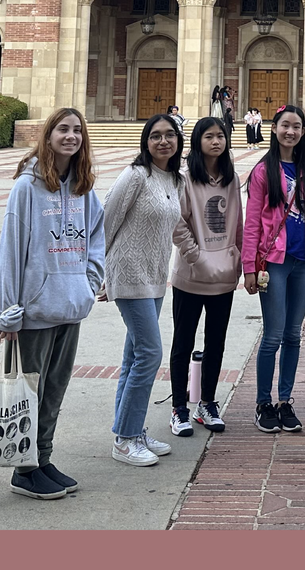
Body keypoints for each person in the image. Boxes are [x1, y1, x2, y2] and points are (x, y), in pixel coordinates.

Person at [0, 108, 105, 499]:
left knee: (54, 391)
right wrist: (8, 311)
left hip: (70, 306)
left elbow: (96, 238)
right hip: (34, 312)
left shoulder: (83, 187)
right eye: (63, 129)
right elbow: (10, 251)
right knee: (30, 392)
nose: (71, 136)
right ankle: (24, 470)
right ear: (49, 135)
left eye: (77, 130)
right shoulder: (27, 187)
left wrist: (88, 284)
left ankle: (43, 458)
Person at [102, 113, 184, 467]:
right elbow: (106, 220)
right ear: (145, 141)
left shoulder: (176, 179)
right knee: (150, 353)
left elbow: (173, 227)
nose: (163, 141)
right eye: (155, 136)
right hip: (128, 273)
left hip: (154, 276)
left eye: (169, 135)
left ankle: (129, 430)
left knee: (134, 356)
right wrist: (98, 271)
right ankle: (126, 437)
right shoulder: (135, 175)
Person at [242, 105, 305, 434]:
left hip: (303, 262)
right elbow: (251, 223)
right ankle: (263, 402)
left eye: (297, 126)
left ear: (303, 131)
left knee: (293, 335)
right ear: (274, 128)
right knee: (273, 335)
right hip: (273, 262)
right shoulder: (263, 171)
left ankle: (285, 401)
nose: (291, 131)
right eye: (285, 125)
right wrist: (249, 266)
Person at [168, 117, 243, 439]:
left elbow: (237, 221)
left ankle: (207, 403)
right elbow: (177, 223)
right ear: (197, 141)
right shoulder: (184, 179)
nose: (216, 142)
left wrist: (238, 257)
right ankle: (179, 407)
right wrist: (196, 257)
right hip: (191, 275)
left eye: (220, 136)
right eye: (209, 136)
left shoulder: (231, 179)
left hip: (223, 275)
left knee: (216, 342)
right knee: (183, 341)